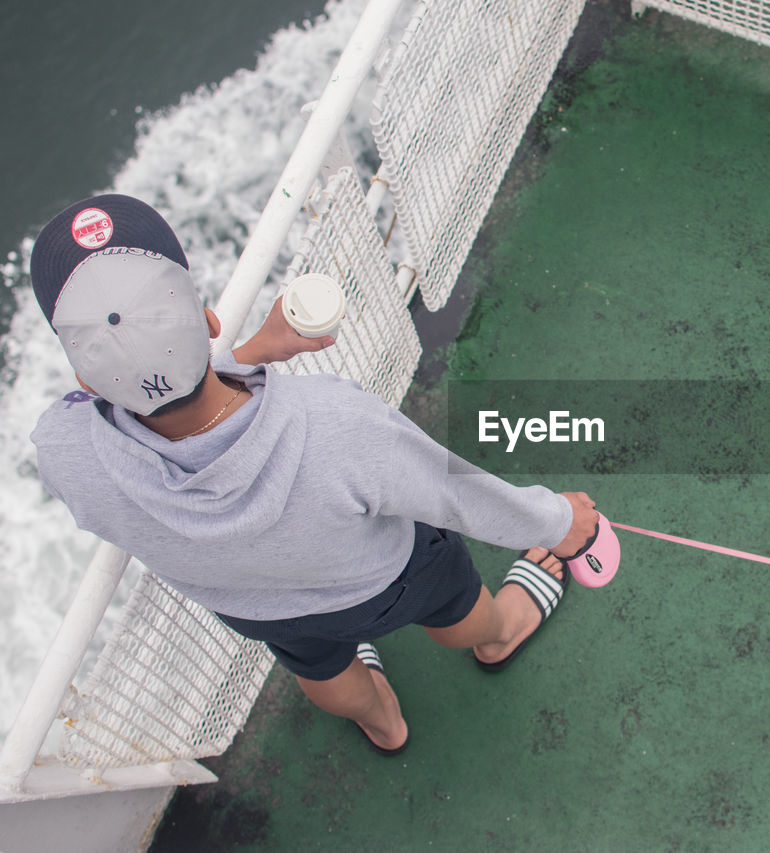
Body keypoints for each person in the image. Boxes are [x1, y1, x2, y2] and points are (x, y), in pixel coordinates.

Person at [28, 194, 597, 755]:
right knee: (455, 606)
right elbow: (453, 494)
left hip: (263, 610)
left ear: (85, 379)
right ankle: (497, 637)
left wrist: (249, 355)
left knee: (322, 666)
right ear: (208, 322)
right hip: (386, 581)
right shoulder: (333, 420)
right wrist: (556, 522)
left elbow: (154, 418)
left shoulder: (64, 453)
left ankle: (382, 722)